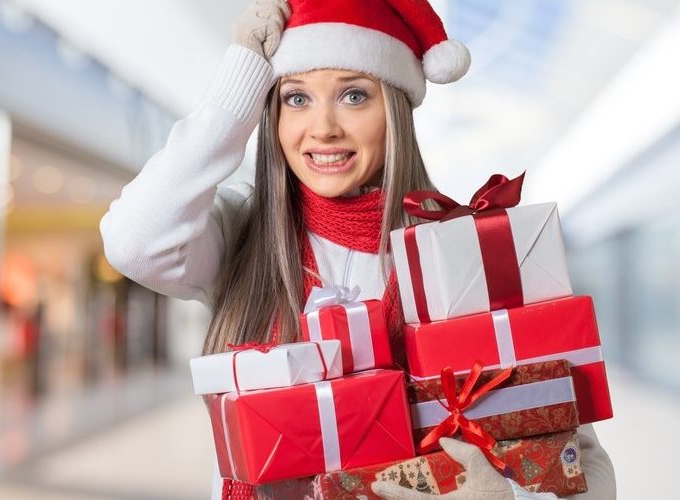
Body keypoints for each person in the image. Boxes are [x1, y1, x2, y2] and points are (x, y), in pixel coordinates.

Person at [99, 0, 616, 499]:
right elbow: (134, 241)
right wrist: (235, 96)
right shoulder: (244, 236)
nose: (322, 128)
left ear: (394, 109)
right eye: (296, 98)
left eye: (354, 95)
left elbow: (579, 458)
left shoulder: (463, 252)